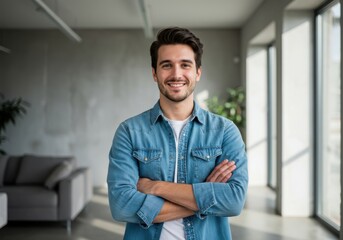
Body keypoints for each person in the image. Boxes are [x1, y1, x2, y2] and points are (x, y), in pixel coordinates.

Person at [107, 27, 248, 240]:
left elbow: (234, 201)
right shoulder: (129, 132)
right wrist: (207, 195)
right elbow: (122, 206)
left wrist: (155, 187)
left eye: (185, 65)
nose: (176, 74)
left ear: (197, 72)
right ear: (154, 73)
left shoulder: (225, 131)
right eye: (166, 65)